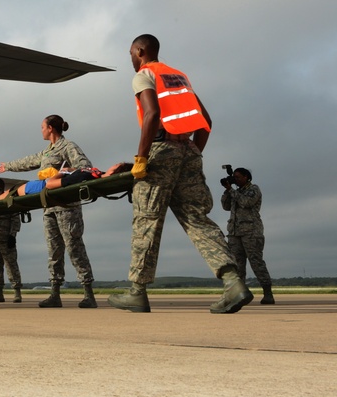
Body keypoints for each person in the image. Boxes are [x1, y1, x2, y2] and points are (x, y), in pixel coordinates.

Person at [108, 34, 253, 314]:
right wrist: (192, 153)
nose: (130, 58)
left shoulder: (144, 74)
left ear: (140, 50)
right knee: (198, 219)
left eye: (130, 53)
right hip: (187, 150)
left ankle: (137, 292)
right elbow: (205, 121)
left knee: (147, 220)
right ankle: (233, 282)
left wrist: (141, 159)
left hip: (162, 150)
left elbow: (151, 115)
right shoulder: (179, 77)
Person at [0, 115, 98, 308]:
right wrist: (8, 166)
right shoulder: (47, 152)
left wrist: (64, 171)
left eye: (42, 127)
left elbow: (85, 167)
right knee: (54, 252)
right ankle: (55, 293)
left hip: (68, 207)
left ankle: (88, 293)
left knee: (74, 247)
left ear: (50, 128)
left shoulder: (68, 146)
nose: (41, 130)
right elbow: (29, 161)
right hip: (49, 208)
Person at [222, 167, 274, 304]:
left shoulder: (254, 189)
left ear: (246, 177)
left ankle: (268, 293)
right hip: (234, 233)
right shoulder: (235, 192)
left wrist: (232, 191)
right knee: (237, 265)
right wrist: (228, 189)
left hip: (251, 231)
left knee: (256, 262)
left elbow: (246, 202)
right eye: (235, 177)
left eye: (238, 177)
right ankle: (240, 294)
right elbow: (225, 206)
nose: (236, 179)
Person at [0, 163, 132, 200]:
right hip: (43, 184)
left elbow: (50, 184)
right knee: (9, 193)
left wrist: (61, 172)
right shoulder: (95, 174)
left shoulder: (86, 177)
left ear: (114, 171)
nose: (114, 163)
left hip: (42, 186)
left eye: (118, 164)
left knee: (10, 194)